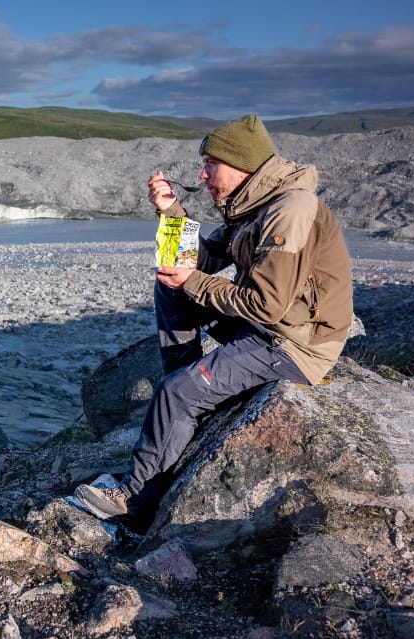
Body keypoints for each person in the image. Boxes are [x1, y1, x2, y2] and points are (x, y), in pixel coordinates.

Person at [68, 113, 354, 520]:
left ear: (241, 165)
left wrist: (192, 281)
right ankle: (185, 398)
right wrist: (170, 210)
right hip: (267, 327)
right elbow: (198, 262)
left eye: (210, 164)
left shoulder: (290, 210)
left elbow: (267, 305)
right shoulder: (255, 206)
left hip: (294, 344)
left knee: (176, 392)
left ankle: (136, 500)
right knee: (172, 290)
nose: (203, 175)